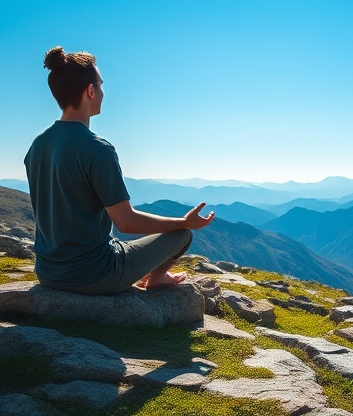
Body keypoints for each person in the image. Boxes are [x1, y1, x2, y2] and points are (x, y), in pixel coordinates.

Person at [24, 46, 214, 294]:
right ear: (91, 91)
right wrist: (183, 221)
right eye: (101, 85)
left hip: (48, 272)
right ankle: (156, 278)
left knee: (131, 242)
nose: (103, 92)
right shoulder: (97, 149)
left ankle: (153, 274)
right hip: (93, 275)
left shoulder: (38, 145)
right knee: (182, 235)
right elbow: (126, 221)